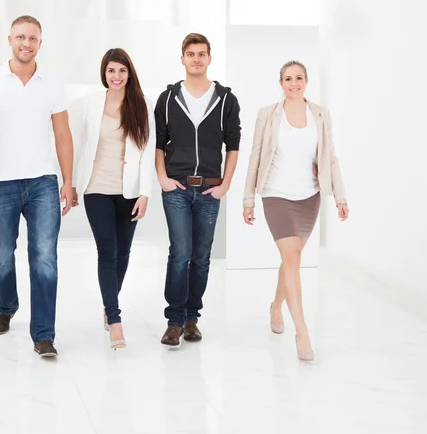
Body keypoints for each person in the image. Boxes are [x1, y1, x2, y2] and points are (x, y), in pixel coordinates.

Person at [0, 15, 73, 358]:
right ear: (9, 40)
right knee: (0, 255)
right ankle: (7, 303)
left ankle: (44, 335)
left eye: (32, 38)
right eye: (20, 37)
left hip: (44, 181)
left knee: (44, 257)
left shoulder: (53, 85)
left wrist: (68, 180)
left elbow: (62, 134)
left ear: (40, 43)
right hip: (0, 183)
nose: (26, 43)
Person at [242, 60, 349, 362]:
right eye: (288, 79)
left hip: (309, 196)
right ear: (280, 83)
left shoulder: (320, 115)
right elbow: (255, 157)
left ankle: (276, 306)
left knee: (291, 259)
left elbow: (331, 158)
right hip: (276, 195)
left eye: (298, 78)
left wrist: (340, 196)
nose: (293, 83)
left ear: (306, 81)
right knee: (292, 258)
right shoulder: (267, 115)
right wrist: (248, 199)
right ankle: (302, 332)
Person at [155, 33, 241, 347]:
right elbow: (159, 143)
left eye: (201, 54)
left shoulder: (225, 99)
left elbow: (233, 145)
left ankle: (193, 319)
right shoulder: (167, 98)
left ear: (209, 58)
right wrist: (162, 178)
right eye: (190, 54)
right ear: (182, 59)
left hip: (209, 189)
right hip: (175, 188)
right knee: (180, 254)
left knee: (201, 257)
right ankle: (174, 321)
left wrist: (226, 184)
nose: (196, 59)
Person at [69, 48, 156, 350]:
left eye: (121, 70)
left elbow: (147, 152)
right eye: (110, 71)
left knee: (123, 253)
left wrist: (145, 193)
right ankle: (115, 319)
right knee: (107, 251)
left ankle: (109, 305)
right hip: (97, 189)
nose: (116, 76)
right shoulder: (90, 104)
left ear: (129, 73)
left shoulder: (141, 106)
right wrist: (70, 184)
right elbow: (78, 144)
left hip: (129, 191)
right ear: (103, 74)